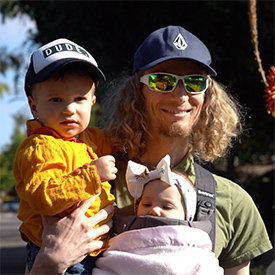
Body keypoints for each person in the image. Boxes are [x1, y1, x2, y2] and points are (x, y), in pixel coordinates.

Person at [29, 26, 272, 275]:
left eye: (194, 82)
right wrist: (49, 263)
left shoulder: (234, 203)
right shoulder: (86, 177)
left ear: (207, 95)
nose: (180, 95)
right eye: (162, 80)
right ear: (137, 92)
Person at [14, 38, 117, 274]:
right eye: (55, 99)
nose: (69, 109)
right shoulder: (39, 147)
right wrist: (93, 175)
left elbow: (125, 142)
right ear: (34, 106)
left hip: (93, 248)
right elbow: (45, 196)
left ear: (92, 102)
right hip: (60, 253)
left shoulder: (90, 138)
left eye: (79, 98)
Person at [92, 155, 224, 274]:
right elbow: (110, 266)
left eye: (166, 206)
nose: (155, 210)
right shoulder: (123, 240)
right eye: (147, 204)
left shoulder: (195, 247)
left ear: (187, 215)